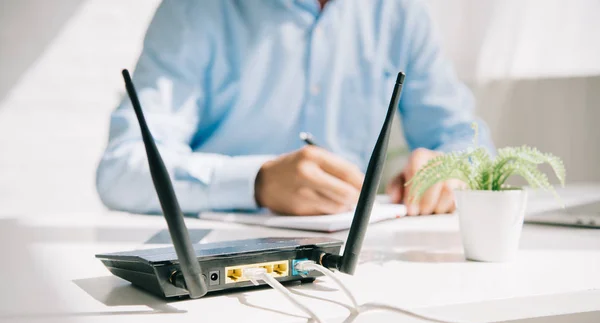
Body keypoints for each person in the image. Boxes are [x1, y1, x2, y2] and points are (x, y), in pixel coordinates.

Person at [96, 0, 495, 217]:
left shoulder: (399, 13)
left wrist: (452, 168)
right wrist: (258, 182)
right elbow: (122, 169)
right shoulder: (194, 11)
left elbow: (465, 136)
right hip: (214, 266)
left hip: (358, 266)